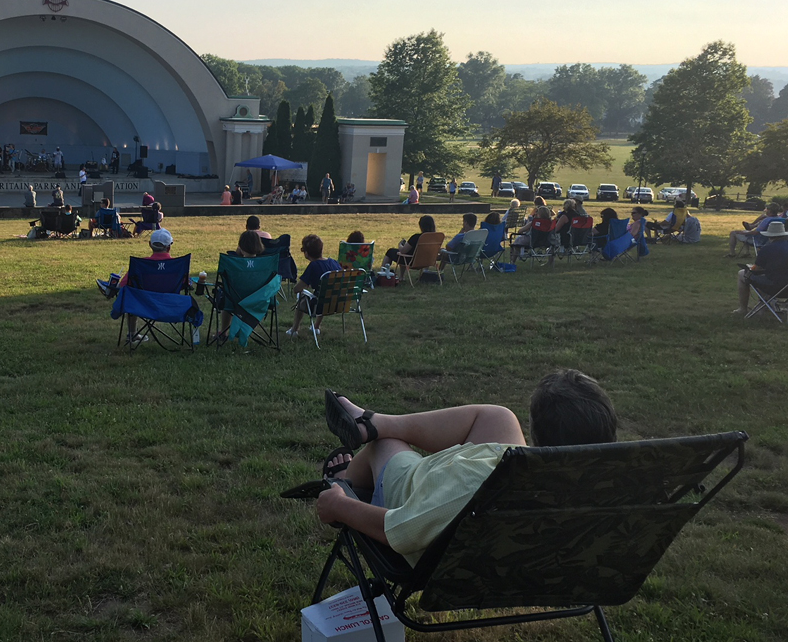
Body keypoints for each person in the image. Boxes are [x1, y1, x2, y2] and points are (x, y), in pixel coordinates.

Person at [314, 369, 618, 565]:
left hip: (430, 497)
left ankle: (347, 480)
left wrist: (340, 507)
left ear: (535, 431)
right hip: (532, 527)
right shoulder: (619, 487)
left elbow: (403, 530)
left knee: (385, 445)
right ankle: (373, 422)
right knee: (498, 418)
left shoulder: (479, 483)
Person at [117, 228, 176, 345]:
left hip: (143, 306)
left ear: (150, 245)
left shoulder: (141, 265)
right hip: (171, 306)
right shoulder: (177, 265)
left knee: (132, 295)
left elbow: (122, 285)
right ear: (169, 247)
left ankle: (132, 333)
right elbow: (188, 284)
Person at [213, 230, 267, 343]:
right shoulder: (265, 264)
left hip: (234, 301)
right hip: (259, 301)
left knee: (226, 295)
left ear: (241, 246)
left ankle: (224, 332)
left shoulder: (234, 264)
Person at [285, 234, 343, 337]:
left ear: (306, 253)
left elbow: (297, 289)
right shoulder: (334, 262)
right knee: (325, 293)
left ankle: (294, 329)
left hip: (320, 306)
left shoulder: (313, 266)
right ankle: (316, 326)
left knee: (302, 296)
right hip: (339, 303)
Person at [735, 220, 788, 315]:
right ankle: (766, 305)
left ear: (769, 236)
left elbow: (757, 269)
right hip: (786, 287)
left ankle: (743, 308)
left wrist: (751, 267)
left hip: (774, 286)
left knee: (743, 274)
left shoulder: (767, 249)